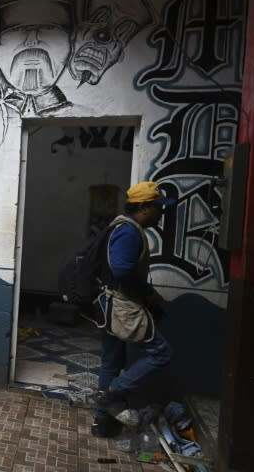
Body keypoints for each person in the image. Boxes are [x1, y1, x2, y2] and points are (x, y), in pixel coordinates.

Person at [91, 180, 175, 437]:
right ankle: (114, 392)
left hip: (110, 304)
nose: (162, 212)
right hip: (122, 307)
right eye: (159, 207)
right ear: (145, 208)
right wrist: (148, 293)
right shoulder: (129, 231)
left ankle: (102, 423)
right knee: (161, 353)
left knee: (111, 360)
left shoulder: (123, 226)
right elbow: (122, 269)